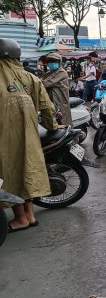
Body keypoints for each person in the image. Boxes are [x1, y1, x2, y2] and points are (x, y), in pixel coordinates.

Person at [0, 39, 59, 232]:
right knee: (28, 170)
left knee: (10, 173)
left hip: (5, 137)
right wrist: (53, 126)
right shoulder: (30, 78)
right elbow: (47, 106)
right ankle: (30, 216)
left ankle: (20, 218)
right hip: (31, 134)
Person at [41, 52, 72, 126]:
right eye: (50, 61)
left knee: (61, 121)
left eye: (54, 61)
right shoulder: (48, 73)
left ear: (59, 62)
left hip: (60, 100)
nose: (52, 63)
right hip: (50, 99)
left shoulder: (62, 72)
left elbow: (46, 83)